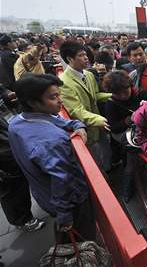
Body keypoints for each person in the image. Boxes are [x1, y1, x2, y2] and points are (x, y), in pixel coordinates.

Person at [8, 74, 95, 241]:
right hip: (71, 204)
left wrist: (78, 125)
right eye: (53, 97)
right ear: (33, 102)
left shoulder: (17, 122)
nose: (60, 101)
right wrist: (65, 216)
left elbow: (59, 122)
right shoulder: (51, 141)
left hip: (44, 196)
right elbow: (62, 180)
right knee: (82, 243)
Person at [58, 41, 113, 171]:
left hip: (99, 125)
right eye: (81, 55)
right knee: (94, 162)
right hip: (87, 128)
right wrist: (97, 119)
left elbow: (96, 95)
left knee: (105, 155)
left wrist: (113, 95)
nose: (86, 58)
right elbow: (76, 110)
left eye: (86, 54)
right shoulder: (64, 82)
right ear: (69, 59)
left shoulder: (88, 74)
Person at [0, 90, 45, 232]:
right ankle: (23, 220)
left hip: (9, 142)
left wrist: (7, 96)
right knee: (12, 190)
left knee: (20, 183)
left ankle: (23, 216)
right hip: (4, 156)